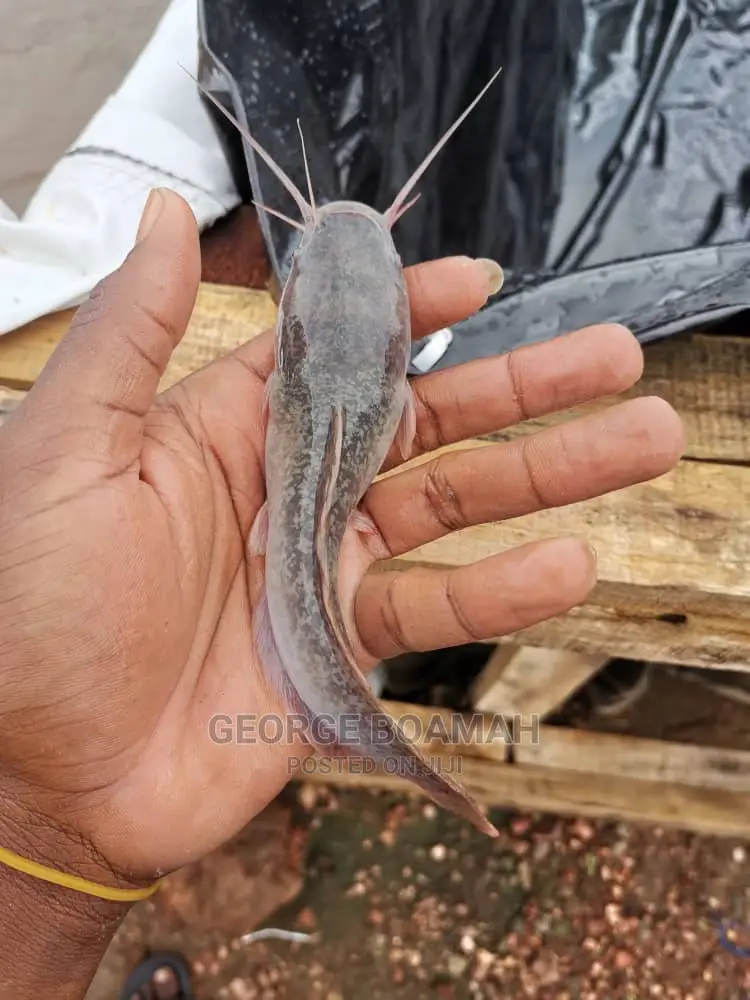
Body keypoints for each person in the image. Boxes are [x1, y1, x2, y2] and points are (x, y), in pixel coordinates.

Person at [0, 188, 684, 999]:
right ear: (399, 351)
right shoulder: (391, 392)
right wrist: (54, 833)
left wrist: (53, 843)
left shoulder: (285, 384)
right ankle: (415, 766)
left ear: (290, 344)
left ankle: (404, 756)